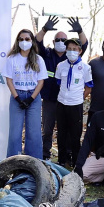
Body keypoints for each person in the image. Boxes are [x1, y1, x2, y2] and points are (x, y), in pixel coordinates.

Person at [35, 16, 89, 160]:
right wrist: (44, 29)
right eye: (57, 40)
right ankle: (45, 154)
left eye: (63, 40)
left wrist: (80, 31)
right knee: (47, 129)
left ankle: (68, 154)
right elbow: (36, 42)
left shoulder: (70, 56)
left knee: (68, 130)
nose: (60, 42)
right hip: (50, 99)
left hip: (68, 101)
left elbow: (84, 44)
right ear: (53, 42)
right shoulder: (46, 54)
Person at [3, 29, 47, 158]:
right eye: (21, 39)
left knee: (34, 132)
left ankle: (34, 161)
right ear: (17, 41)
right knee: (14, 133)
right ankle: (13, 161)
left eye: (27, 39)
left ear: (32, 41)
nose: (24, 41)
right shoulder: (12, 59)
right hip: (17, 96)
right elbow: (9, 80)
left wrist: (31, 99)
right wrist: (17, 98)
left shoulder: (38, 59)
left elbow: (41, 82)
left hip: (34, 97)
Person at [54, 38, 93, 168]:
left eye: (74, 49)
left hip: (76, 105)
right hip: (61, 103)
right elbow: (59, 82)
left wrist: (79, 98)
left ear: (80, 51)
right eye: (69, 49)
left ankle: (76, 161)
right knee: (61, 133)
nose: (71, 51)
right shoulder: (61, 66)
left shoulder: (85, 68)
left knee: (75, 134)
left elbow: (88, 87)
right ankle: (62, 160)